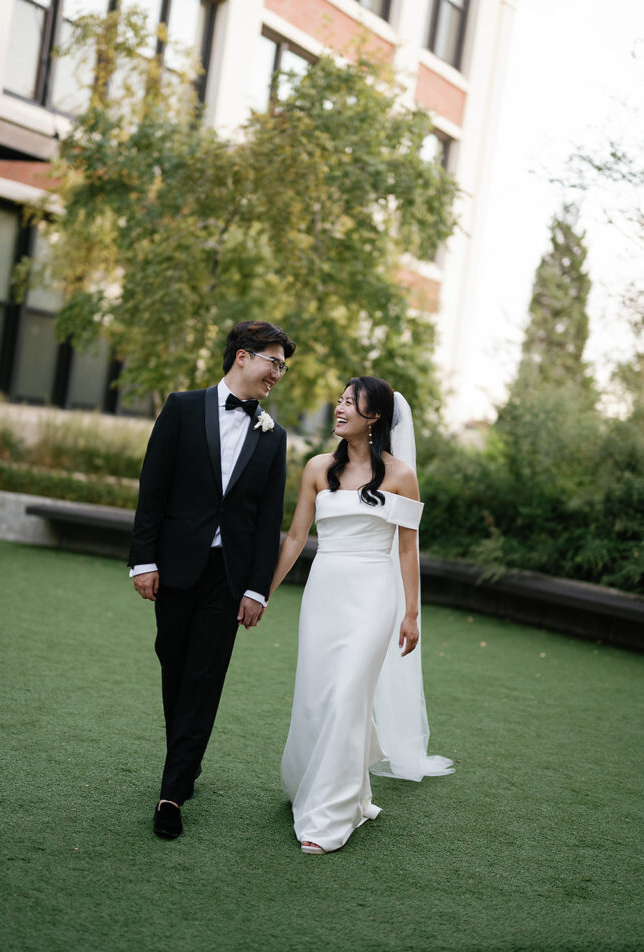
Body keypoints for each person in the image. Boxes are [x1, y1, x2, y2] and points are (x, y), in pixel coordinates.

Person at [269, 376, 453, 854]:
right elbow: (294, 538)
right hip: (324, 593)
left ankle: (329, 817)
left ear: (375, 417)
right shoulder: (315, 468)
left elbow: (408, 551)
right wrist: (262, 591)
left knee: (349, 693)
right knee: (318, 694)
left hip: (374, 596)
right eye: (339, 399)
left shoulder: (400, 475)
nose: (339, 407)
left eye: (351, 403)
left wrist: (411, 614)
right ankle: (331, 787)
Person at [129, 320, 295, 839]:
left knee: (204, 679)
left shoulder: (274, 436)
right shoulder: (181, 407)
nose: (278, 373)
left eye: (283, 366)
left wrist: (256, 589)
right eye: (274, 361)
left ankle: (172, 793)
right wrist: (143, 559)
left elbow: (269, 520)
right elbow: (153, 486)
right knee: (174, 667)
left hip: (228, 579)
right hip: (176, 566)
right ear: (242, 357)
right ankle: (185, 762)